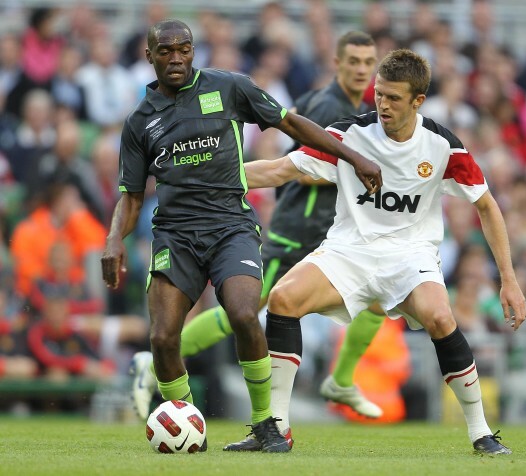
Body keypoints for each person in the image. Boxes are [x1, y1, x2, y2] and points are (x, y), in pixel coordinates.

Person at [224, 49, 526, 455]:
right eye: (379, 94)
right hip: (349, 251)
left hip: (410, 255)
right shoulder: (350, 134)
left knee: (440, 316)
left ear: (418, 101)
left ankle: (481, 432)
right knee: (282, 298)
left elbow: (486, 206)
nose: (382, 104)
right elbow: (281, 169)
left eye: (394, 98)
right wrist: (215, 181)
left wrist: (509, 279)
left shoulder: (442, 146)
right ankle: (276, 429)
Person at [100, 19, 381, 454]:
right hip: (175, 235)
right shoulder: (140, 121)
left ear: (194, 51)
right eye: (166, 51)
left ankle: (265, 424)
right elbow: (131, 195)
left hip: (231, 225)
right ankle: (187, 421)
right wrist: (114, 239)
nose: (176, 58)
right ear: (149, 56)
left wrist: (352, 156)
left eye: (184, 49)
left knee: (246, 315)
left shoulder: (229, 87)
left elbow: (292, 123)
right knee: (161, 338)